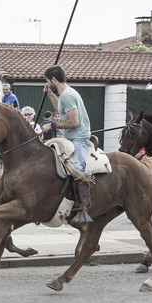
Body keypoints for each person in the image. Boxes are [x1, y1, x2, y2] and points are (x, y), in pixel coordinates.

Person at [42, 65, 93, 224]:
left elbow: (74, 122)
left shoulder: (68, 95)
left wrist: (52, 126)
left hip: (78, 138)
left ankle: (83, 208)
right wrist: (50, 94)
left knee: (77, 168)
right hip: (69, 137)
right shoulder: (65, 94)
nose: (47, 84)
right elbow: (61, 109)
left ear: (54, 80)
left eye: (48, 82)